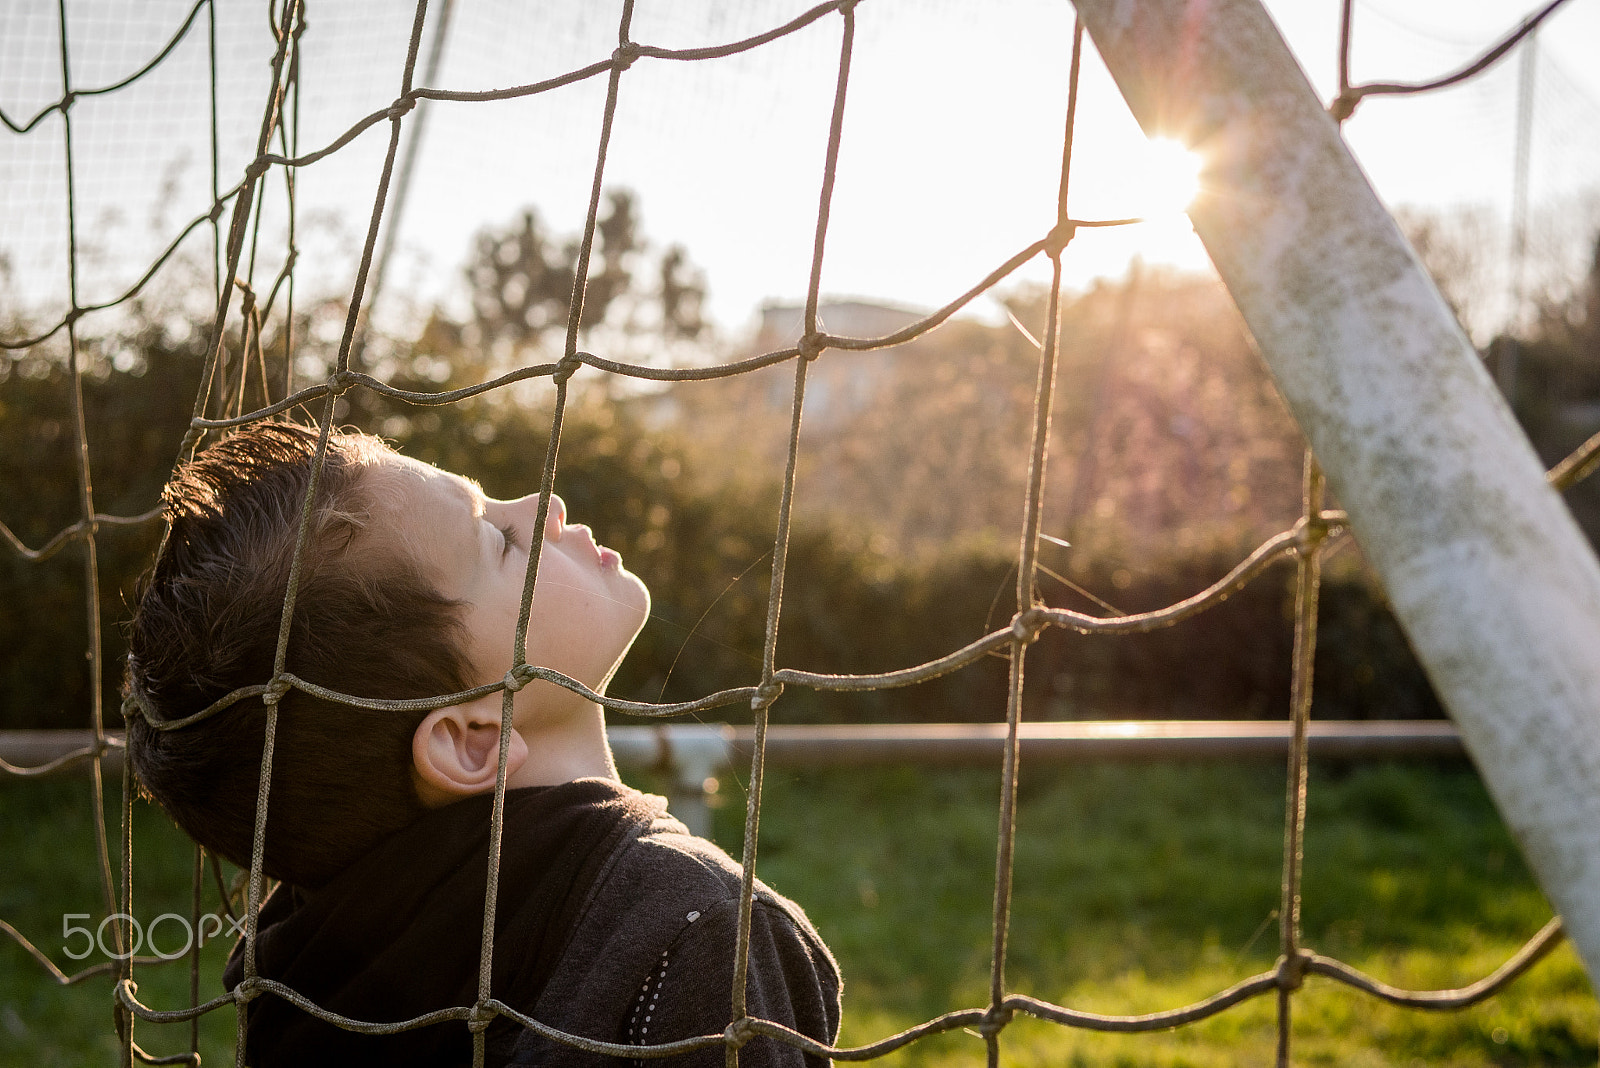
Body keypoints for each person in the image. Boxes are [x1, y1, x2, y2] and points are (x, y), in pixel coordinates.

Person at [123, 420, 840, 1067]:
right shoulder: (699, 930)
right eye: (497, 540)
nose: (541, 505)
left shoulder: (296, 971)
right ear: (471, 742)